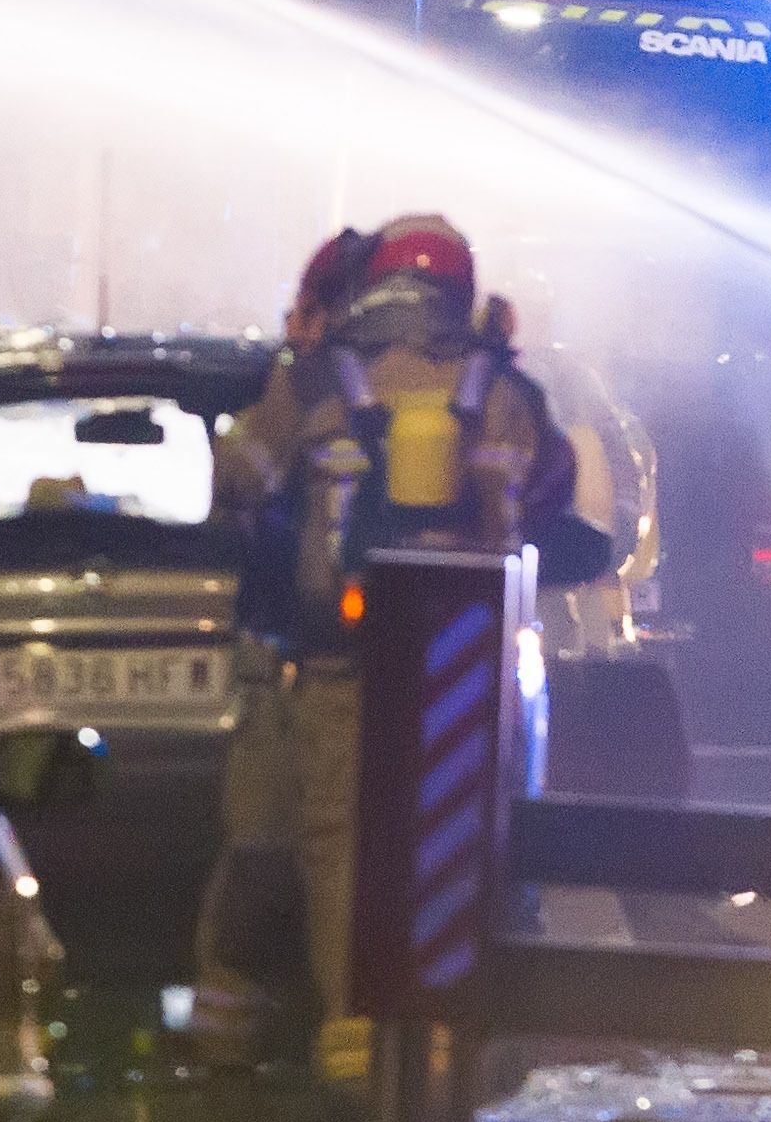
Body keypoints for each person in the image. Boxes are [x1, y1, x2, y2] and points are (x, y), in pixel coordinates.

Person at [206, 214, 581, 1077]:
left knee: (339, 837)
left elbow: (240, 483)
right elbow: (555, 493)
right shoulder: (497, 383)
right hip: (465, 659)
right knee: (462, 832)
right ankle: (447, 1030)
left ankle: (352, 1035)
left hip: (341, 654)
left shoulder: (317, 378)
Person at [186, 226, 379, 1068]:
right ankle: (280, 1032)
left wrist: (290, 377)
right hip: (324, 659)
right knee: (303, 848)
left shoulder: (311, 390)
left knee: (284, 845)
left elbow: (237, 479)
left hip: (301, 656)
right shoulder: (422, 394)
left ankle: (243, 1037)